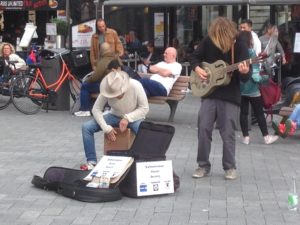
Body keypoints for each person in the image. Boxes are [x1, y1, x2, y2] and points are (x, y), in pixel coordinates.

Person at [189, 17, 250, 180]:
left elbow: (245, 77)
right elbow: (194, 57)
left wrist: (244, 72)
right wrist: (197, 69)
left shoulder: (240, 45)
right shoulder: (209, 40)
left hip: (230, 95)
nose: (216, 39)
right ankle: (202, 165)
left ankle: (229, 167)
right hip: (209, 93)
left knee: (228, 132)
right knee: (203, 128)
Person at [80, 60, 149, 170]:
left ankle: (145, 162)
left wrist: (127, 118)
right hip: (114, 115)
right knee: (86, 127)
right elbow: (96, 109)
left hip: (134, 118)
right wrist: (106, 128)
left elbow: (144, 108)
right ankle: (92, 161)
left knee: (144, 134)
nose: (115, 96)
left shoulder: (135, 85)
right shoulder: (107, 86)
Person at [238, 31, 279, 145]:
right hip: (252, 88)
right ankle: (266, 137)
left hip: (241, 87)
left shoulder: (237, 52)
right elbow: (255, 73)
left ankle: (245, 137)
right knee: (259, 112)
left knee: (243, 112)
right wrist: (263, 79)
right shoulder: (250, 52)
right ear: (249, 40)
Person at [74, 43, 122, 117]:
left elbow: (96, 76)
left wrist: (87, 80)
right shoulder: (116, 58)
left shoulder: (103, 61)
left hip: (107, 86)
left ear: (102, 51)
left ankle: (85, 109)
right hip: (117, 84)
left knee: (85, 86)